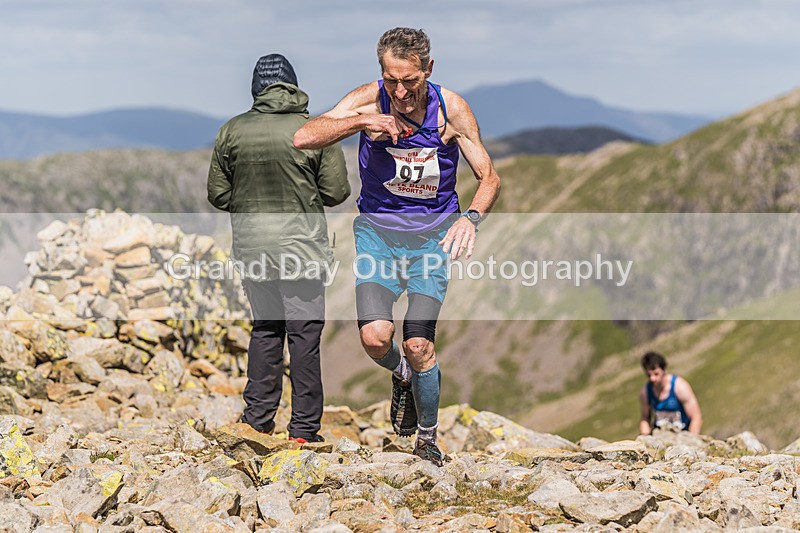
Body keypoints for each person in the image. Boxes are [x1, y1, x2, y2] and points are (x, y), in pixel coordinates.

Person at [293, 28, 501, 465]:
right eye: (392, 80)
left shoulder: (451, 109)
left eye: (410, 80)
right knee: (375, 339)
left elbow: (489, 177)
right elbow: (304, 137)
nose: (401, 92)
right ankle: (402, 376)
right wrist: (361, 121)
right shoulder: (369, 99)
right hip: (378, 237)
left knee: (419, 345)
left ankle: (427, 438)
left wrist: (471, 218)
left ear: (428, 69)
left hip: (431, 240)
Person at [208, 53, 350, 443]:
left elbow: (218, 194)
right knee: (304, 336)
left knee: (266, 330)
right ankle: (303, 430)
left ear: (256, 87)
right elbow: (337, 192)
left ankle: (256, 421)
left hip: (254, 251)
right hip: (301, 251)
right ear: (293, 85)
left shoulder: (231, 131)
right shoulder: (315, 130)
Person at [639, 351, 703, 435]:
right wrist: (645, 438)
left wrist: (691, 440)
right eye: (649, 375)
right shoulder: (645, 392)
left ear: (663, 370)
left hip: (683, 434)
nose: (652, 379)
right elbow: (645, 418)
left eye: (656, 374)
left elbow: (696, 417)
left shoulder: (680, 387)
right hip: (659, 435)